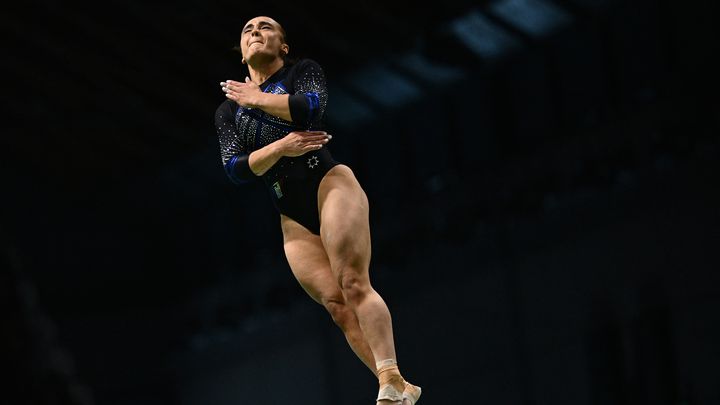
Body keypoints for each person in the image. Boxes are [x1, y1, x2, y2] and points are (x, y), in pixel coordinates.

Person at [214, 16, 421, 405]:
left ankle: (390, 377)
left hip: (328, 182)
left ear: (284, 46)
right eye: (247, 30)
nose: (255, 32)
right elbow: (234, 169)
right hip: (290, 212)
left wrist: (255, 98)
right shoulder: (228, 111)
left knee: (353, 282)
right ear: (242, 55)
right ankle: (397, 385)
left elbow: (309, 107)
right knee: (337, 306)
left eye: (265, 27)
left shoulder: (301, 72)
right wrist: (279, 148)